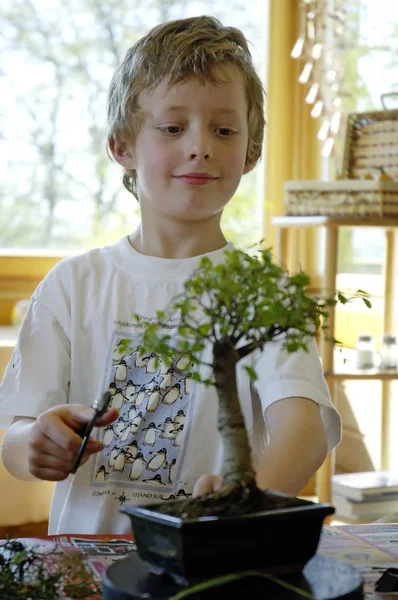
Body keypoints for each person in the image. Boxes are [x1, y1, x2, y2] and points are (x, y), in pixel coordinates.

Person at [0, 15, 341, 535]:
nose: (199, 146)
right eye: (173, 127)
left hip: (213, 562)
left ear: (251, 151)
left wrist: (242, 504)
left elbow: (304, 426)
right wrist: (32, 445)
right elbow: (14, 436)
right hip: (86, 565)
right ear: (123, 147)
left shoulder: (261, 292)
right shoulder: (72, 286)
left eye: (224, 130)